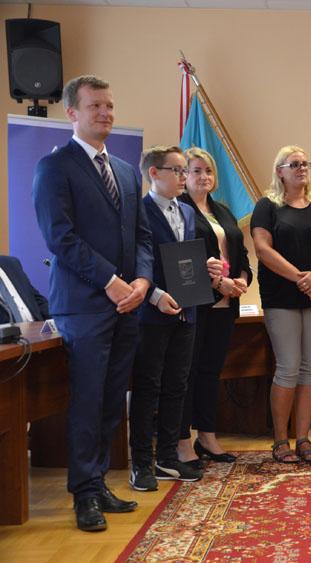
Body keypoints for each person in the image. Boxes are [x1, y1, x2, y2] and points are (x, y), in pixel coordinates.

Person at [32, 75, 153, 531]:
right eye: (95, 106)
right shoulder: (54, 167)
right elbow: (60, 238)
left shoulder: (126, 170)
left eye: (109, 105)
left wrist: (141, 280)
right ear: (72, 113)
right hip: (83, 304)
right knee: (86, 399)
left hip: (128, 304)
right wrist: (110, 281)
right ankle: (83, 493)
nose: (105, 113)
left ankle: (98, 482)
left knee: (110, 399)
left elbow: (142, 236)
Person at [252, 146, 311, 464]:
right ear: (280, 171)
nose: (301, 168)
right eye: (294, 164)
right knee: (288, 366)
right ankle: (280, 440)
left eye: (305, 163)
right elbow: (262, 249)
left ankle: (303, 438)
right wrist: (302, 279)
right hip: (281, 297)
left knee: (310, 367)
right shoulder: (267, 206)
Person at [128, 146, 202, 491]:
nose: (184, 177)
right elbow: (134, 262)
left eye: (185, 170)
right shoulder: (138, 211)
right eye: (177, 170)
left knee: (177, 385)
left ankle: (168, 458)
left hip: (187, 311)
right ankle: (141, 462)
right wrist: (155, 295)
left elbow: (184, 261)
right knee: (148, 387)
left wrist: (205, 269)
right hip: (151, 312)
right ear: (154, 173)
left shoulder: (186, 211)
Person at [176, 147, 252, 468]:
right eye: (196, 171)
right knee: (187, 373)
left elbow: (241, 254)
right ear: (184, 176)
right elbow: (183, 259)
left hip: (225, 304)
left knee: (210, 372)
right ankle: (182, 441)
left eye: (208, 171)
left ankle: (207, 436)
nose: (203, 177)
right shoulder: (179, 209)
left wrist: (242, 280)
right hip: (195, 303)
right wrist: (218, 283)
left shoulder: (223, 211)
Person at [0, 255, 50, 323]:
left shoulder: (11, 263)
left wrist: (57, 319)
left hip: (36, 325)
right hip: (9, 328)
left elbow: (36, 300)